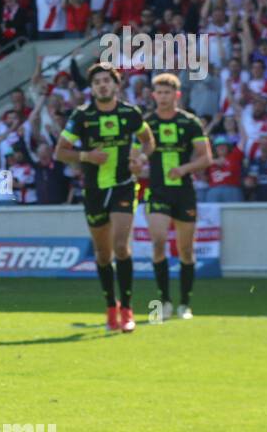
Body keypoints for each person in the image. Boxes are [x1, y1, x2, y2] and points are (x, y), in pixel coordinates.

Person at [55, 63, 155, 333]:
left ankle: (128, 309)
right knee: (102, 254)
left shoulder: (130, 113)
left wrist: (141, 158)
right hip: (94, 190)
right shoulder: (82, 116)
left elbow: (148, 141)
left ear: (116, 85)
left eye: (106, 81)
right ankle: (111, 306)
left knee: (121, 247)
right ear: (92, 87)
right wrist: (87, 156)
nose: (102, 85)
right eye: (97, 81)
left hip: (124, 185)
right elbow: (60, 152)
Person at [141, 74, 212, 320]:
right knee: (158, 243)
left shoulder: (190, 122)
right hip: (157, 191)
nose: (163, 97)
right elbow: (136, 154)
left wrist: (183, 169)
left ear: (177, 95)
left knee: (186, 249)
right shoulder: (147, 123)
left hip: (184, 192)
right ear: (153, 95)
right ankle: (165, 301)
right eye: (159, 93)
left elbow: (206, 157)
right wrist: (136, 163)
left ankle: (185, 303)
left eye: (167, 93)